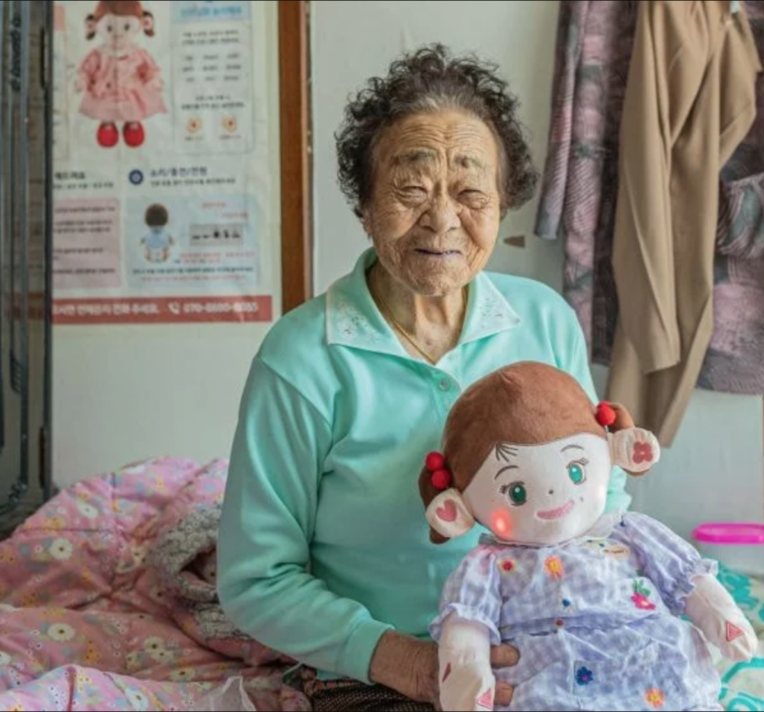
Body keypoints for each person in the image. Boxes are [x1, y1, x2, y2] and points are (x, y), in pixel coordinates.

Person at [216, 44, 632, 712]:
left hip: (552, 641)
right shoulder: (300, 358)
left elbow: (597, 496)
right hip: (378, 669)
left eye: (471, 195)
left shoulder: (545, 321)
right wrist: (405, 662)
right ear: (365, 206)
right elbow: (255, 579)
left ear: (501, 206)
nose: (442, 221)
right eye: (411, 192)